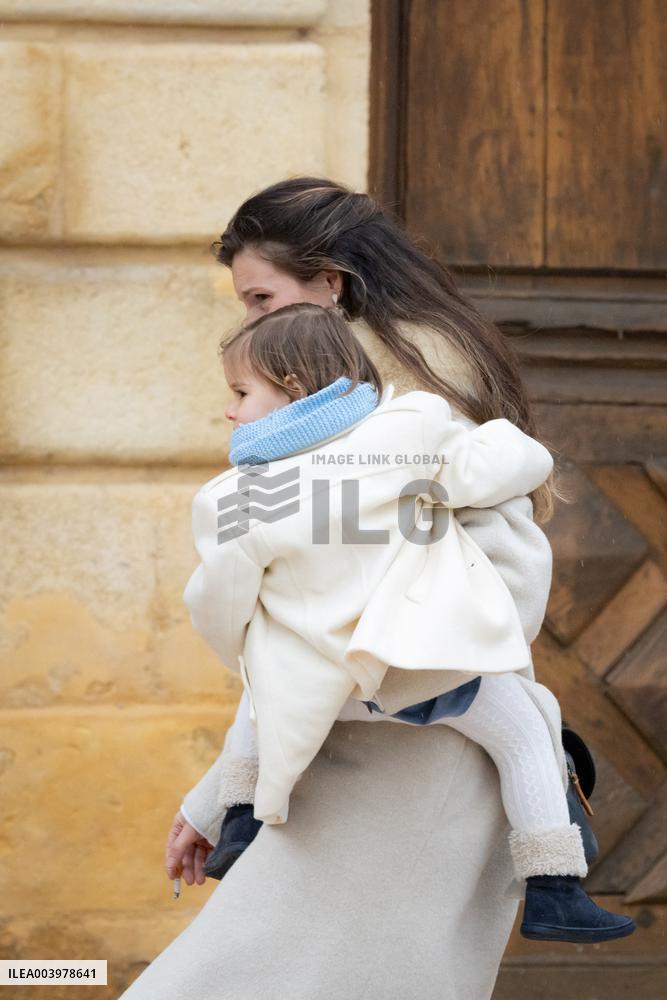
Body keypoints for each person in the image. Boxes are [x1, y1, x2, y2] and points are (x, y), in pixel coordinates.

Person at [119, 178, 614, 1000]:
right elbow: (309, 620)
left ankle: (554, 876)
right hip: (374, 738)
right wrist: (215, 800)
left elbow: (354, 611)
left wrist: (216, 798)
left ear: (330, 283)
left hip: (412, 751)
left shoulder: (399, 408)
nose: (252, 323)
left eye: (261, 296)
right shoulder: (365, 406)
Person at [181, 302, 634, 946]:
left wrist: (255, 651)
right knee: (527, 735)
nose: (230, 410)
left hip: (323, 690)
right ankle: (555, 890)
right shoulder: (408, 429)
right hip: (425, 665)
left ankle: (243, 824)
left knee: (268, 682)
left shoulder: (235, 494)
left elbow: (218, 602)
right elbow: (500, 464)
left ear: (294, 390)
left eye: (240, 392)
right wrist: (519, 452)